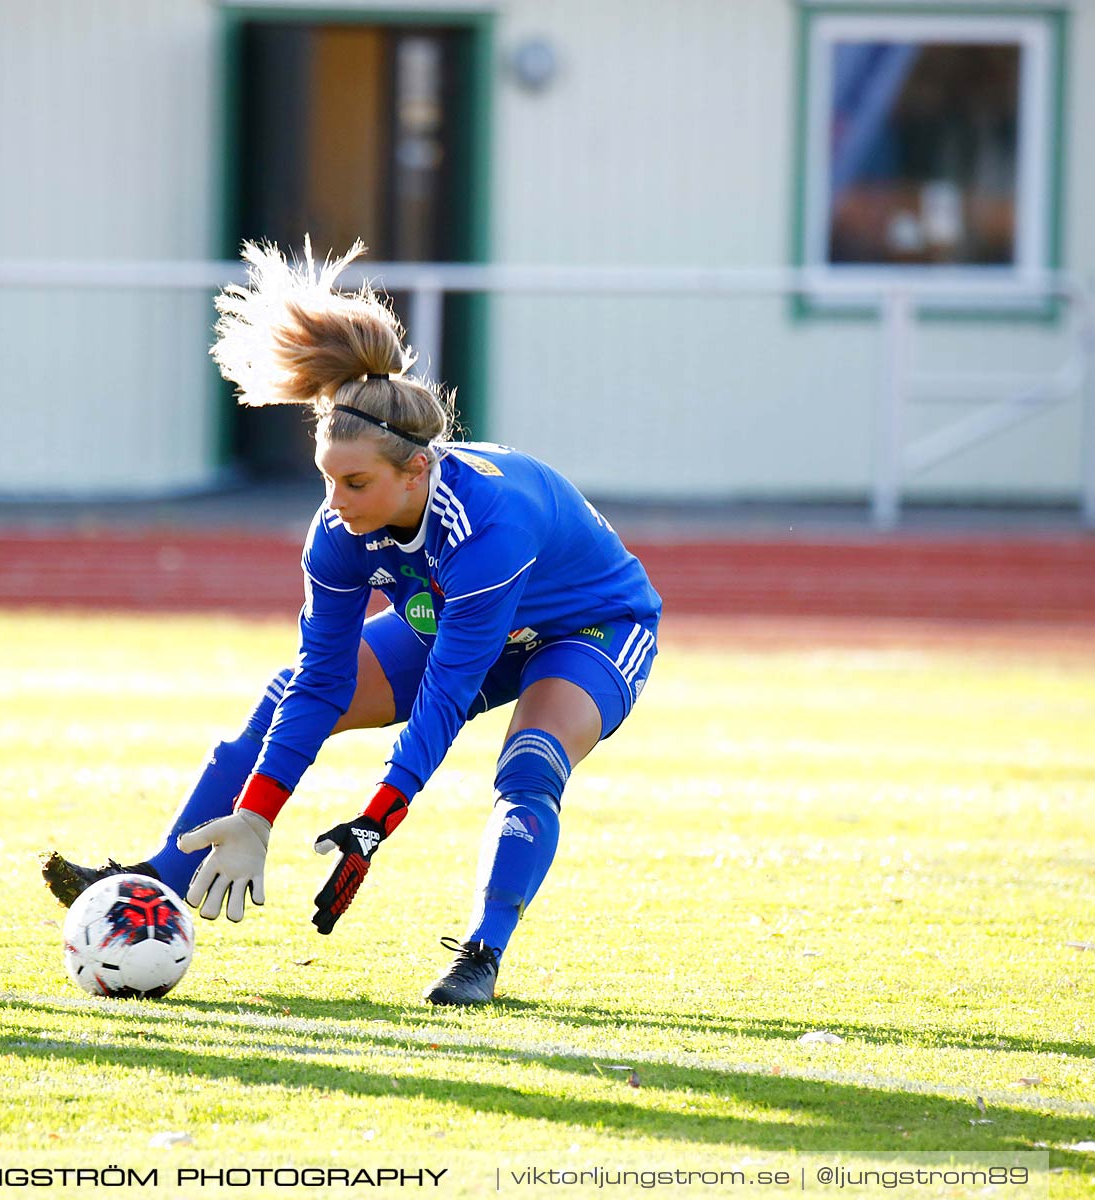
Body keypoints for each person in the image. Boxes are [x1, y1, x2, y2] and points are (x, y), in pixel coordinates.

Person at [44, 241, 661, 1006]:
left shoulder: (485, 527)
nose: (336, 502)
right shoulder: (338, 531)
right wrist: (257, 814)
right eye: (327, 478)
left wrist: (375, 820)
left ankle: (481, 954)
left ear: (419, 469)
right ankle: (155, 881)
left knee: (529, 764)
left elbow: (447, 693)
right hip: (463, 626)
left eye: (357, 481)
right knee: (283, 696)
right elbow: (321, 679)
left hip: (590, 628)